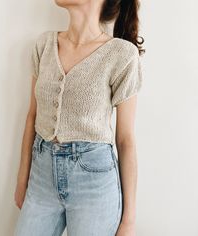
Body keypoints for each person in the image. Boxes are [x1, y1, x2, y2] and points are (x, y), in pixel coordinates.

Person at [14, 0, 145, 235]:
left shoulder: (122, 54)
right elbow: (31, 117)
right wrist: (22, 179)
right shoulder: (44, 45)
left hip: (94, 182)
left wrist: (129, 221)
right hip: (41, 177)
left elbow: (125, 139)